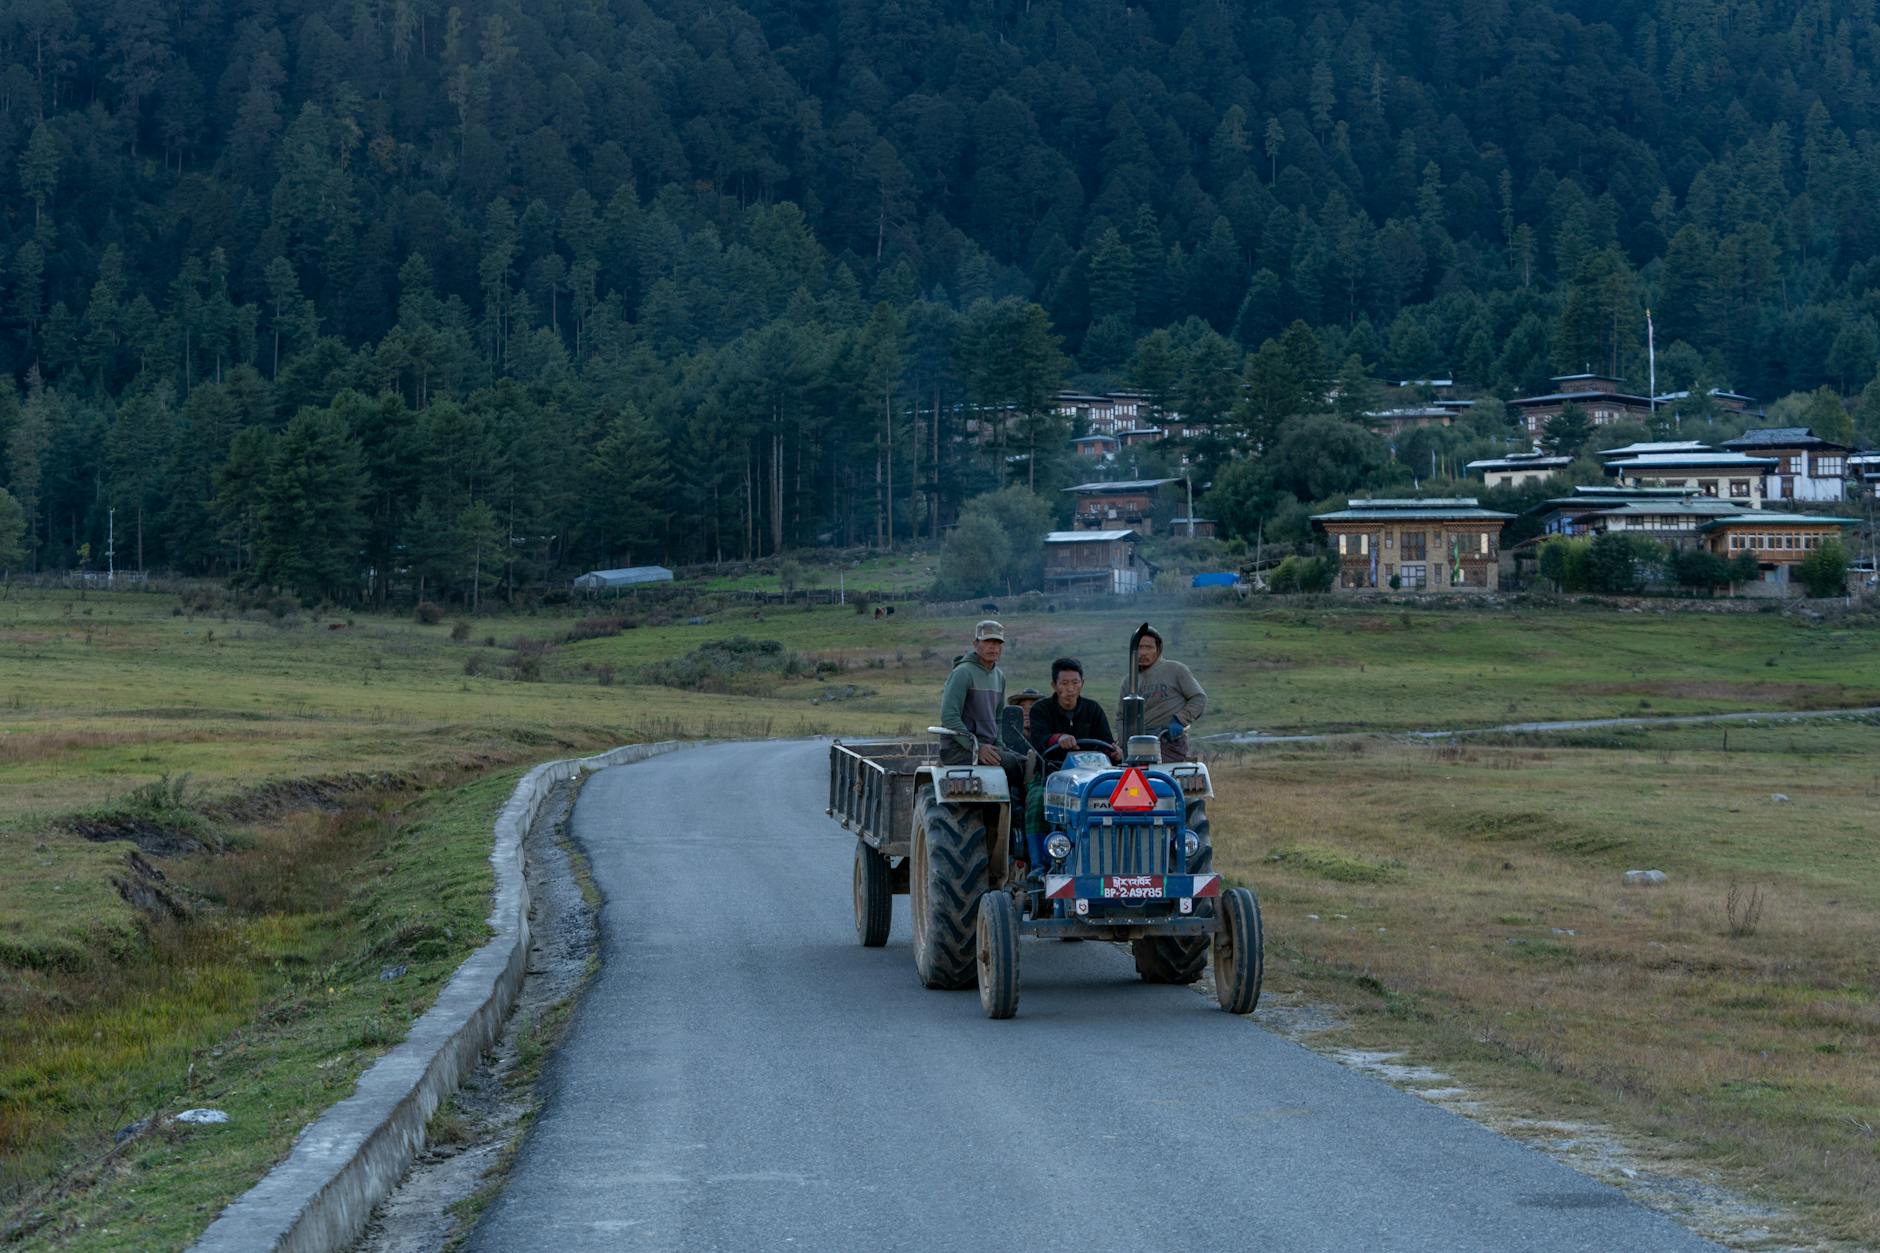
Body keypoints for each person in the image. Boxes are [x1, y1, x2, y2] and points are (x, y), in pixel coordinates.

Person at [938, 619, 1038, 871]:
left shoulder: (998, 676)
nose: (993, 647)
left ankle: (1026, 830)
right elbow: (949, 717)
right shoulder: (963, 673)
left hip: (987, 747)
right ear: (976, 644)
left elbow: (999, 717)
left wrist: (1001, 747)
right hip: (960, 751)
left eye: (997, 643)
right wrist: (977, 748)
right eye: (988, 642)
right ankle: (1020, 837)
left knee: (1028, 765)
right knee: (1019, 768)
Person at [1121, 624, 1206, 762]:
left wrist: (1180, 719)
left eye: (1148, 647)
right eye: (1140, 647)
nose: (1143, 652)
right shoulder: (1129, 681)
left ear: (1158, 649)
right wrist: (1124, 745)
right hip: (1138, 745)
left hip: (1169, 740)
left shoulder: (1176, 670)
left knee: (1164, 780)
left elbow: (1199, 698)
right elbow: (1121, 717)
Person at [1029, 658, 1122, 764]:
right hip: (1052, 769)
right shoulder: (1040, 709)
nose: (1070, 689)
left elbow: (1106, 742)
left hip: (1091, 769)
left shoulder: (1093, 709)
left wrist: (1114, 752)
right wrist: (1058, 739)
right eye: (1064, 683)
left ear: (1082, 683)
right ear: (1054, 685)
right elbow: (1039, 740)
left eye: (1075, 683)